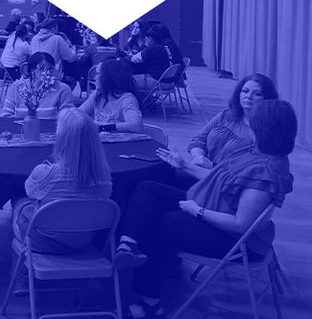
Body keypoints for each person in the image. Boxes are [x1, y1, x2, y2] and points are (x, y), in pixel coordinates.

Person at [114, 100, 296, 319]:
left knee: (155, 224)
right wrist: (184, 165)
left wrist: (198, 211)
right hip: (216, 208)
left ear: (265, 130)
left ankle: (150, 303)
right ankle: (128, 246)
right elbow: (221, 177)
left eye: (253, 123)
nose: (249, 125)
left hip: (235, 240)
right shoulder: (258, 151)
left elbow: (240, 225)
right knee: (148, 189)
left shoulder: (264, 173)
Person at [13, 109, 113, 254]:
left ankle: (18, 265)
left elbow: (30, 192)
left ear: (61, 138)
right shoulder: (104, 179)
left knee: (18, 199)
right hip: (82, 242)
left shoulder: (46, 173)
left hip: (40, 241)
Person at [187, 74, 278, 169]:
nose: (249, 96)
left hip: (227, 177)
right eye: (245, 91)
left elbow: (254, 169)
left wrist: (211, 167)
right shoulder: (226, 114)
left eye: (257, 94)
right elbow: (199, 140)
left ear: (267, 99)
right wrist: (198, 158)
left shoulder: (266, 131)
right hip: (201, 169)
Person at [78, 58, 143, 132]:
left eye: (97, 74)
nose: (94, 78)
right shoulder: (98, 94)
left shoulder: (127, 99)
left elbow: (137, 126)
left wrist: (102, 127)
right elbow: (78, 114)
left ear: (107, 77)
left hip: (119, 139)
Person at [2, 53, 74, 119]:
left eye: (51, 68)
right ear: (32, 71)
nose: (48, 72)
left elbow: (68, 119)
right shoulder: (17, 87)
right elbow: (6, 117)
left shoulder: (62, 89)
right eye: (42, 68)